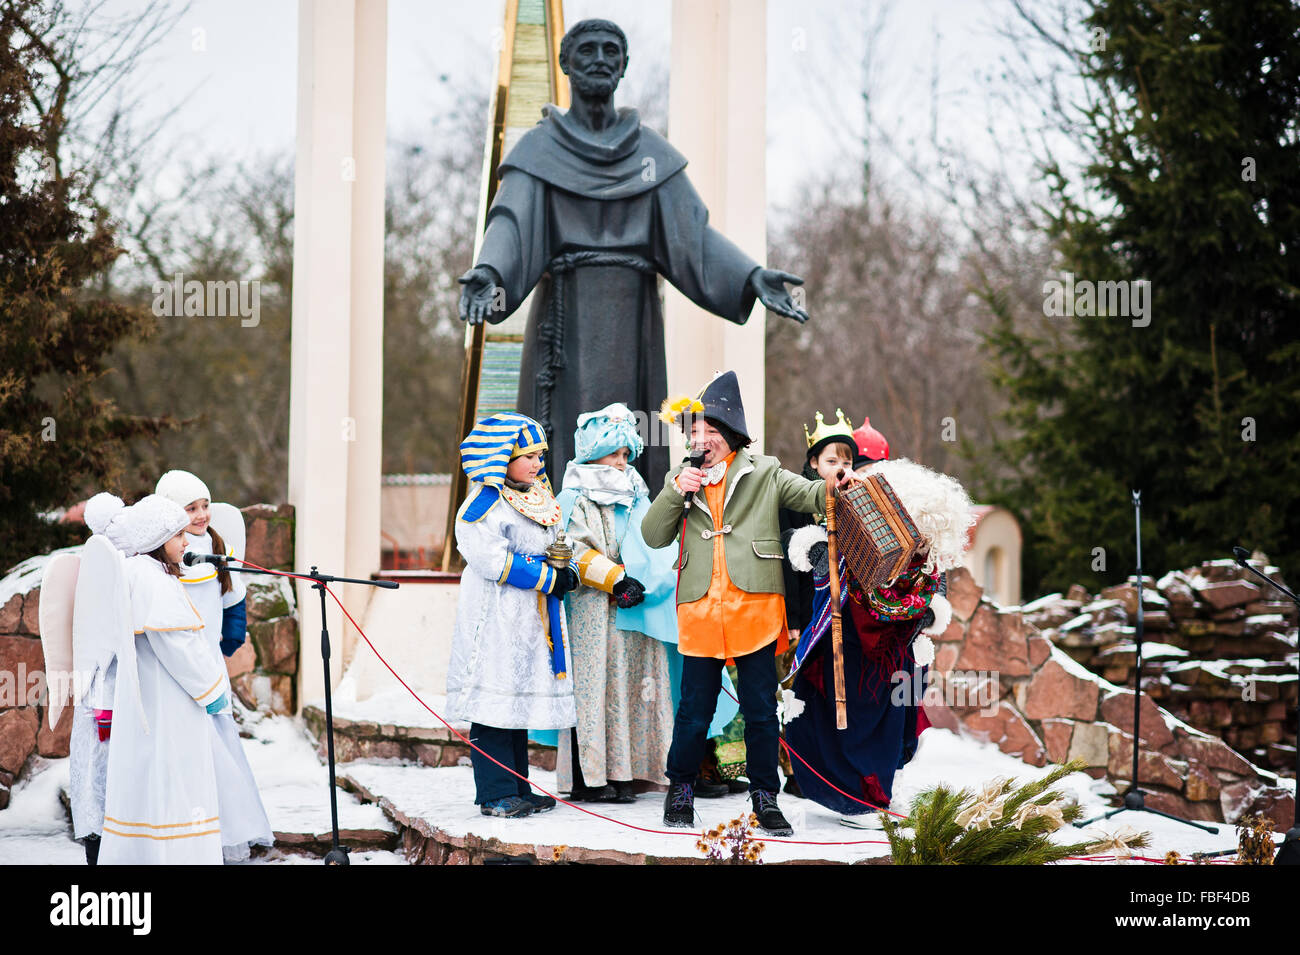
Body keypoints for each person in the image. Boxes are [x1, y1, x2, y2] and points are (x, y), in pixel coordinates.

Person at [458, 18, 809, 491]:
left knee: (635, 429)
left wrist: (749, 276)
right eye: (587, 51)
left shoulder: (650, 155)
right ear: (565, 64)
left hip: (634, 322)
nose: (600, 60)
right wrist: (489, 271)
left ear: (623, 66)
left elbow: (695, 237)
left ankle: (640, 544)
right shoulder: (540, 151)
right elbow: (512, 222)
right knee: (565, 437)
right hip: (566, 323)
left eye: (610, 51)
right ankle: (567, 543)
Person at [642, 371, 853, 835]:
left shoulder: (766, 472)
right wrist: (679, 489)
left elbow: (814, 495)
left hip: (753, 608)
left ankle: (764, 795)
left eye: (711, 431)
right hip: (699, 610)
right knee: (692, 711)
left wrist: (838, 480)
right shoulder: (679, 479)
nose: (701, 439)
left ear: (731, 435)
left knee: (760, 709)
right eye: (694, 431)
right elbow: (653, 536)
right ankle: (681, 788)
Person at [783, 458, 971, 828]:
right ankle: (859, 801)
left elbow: (937, 595)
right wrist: (817, 553)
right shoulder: (862, 528)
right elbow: (804, 540)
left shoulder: (928, 562)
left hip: (897, 655)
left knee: (895, 727)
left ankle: (881, 791)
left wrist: (930, 614)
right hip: (851, 642)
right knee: (847, 724)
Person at [99, 495, 272, 864]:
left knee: (149, 788)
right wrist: (213, 690)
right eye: (178, 534)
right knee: (175, 788)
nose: (186, 542)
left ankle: (146, 854)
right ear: (157, 539)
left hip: (149, 703)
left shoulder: (137, 572)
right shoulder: (155, 582)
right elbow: (180, 648)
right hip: (170, 707)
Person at [446, 412, 579, 817]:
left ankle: (519, 786)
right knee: (495, 701)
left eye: (540, 455)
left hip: (533, 618)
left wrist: (565, 568)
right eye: (528, 456)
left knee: (516, 701)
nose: (538, 464)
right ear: (502, 458)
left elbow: (557, 536)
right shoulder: (484, 503)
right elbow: (487, 556)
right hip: (497, 615)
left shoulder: (539, 494)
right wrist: (544, 576)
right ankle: (494, 792)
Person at [551, 403, 671, 803]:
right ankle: (592, 777)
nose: (621, 463)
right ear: (592, 452)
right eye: (613, 454)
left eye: (625, 455)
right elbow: (571, 549)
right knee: (594, 689)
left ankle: (627, 772)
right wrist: (616, 578)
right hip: (593, 608)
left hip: (636, 609)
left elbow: (654, 540)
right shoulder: (575, 496)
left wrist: (653, 577)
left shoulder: (638, 493)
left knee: (632, 688)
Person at [775, 409, 861, 797]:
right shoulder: (793, 500)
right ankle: (796, 768)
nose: (840, 467)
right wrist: (792, 619)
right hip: (805, 613)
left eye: (846, 460)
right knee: (795, 692)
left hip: (841, 614)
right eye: (831, 460)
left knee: (831, 691)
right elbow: (786, 568)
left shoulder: (854, 501)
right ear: (813, 462)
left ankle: (831, 767)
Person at [154, 469, 248, 658]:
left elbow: (233, 597)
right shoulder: (160, 553)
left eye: (205, 506)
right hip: (172, 652)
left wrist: (232, 637)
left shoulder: (220, 549)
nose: (202, 515)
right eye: (191, 509)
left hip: (210, 651)